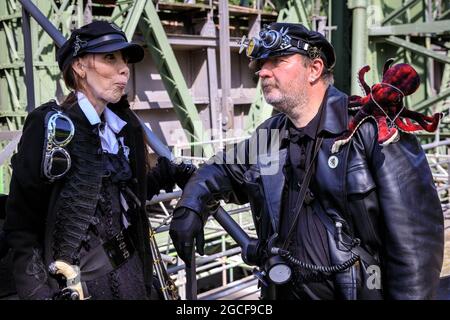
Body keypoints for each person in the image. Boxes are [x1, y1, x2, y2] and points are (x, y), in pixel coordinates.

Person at [169, 22, 445, 300]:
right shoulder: (271, 135)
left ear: (314, 69)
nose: (262, 71)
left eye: (277, 61)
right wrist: (189, 207)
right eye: (262, 63)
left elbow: (416, 246)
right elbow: (220, 169)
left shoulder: (371, 130)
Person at [3, 20, 194, 300]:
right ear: (79, 67)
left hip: (133, 275)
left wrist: (176, 173)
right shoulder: (51, 128)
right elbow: (21, 225)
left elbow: (124, 194)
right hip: (84, 288)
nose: (124, 68)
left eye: (125, 59)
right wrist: (39, 295)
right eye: (109, 58)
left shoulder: (123, 126)